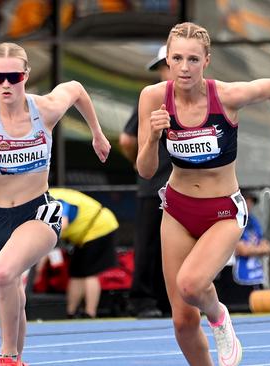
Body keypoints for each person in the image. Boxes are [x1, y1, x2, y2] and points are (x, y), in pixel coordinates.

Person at [136, 22, 270, 366]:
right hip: (177, 210)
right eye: (177, 59)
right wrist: (153, 138)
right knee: (182, 322)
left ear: (206, 61)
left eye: (193, 59)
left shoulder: (227, 96)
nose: (184, 68)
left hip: (222, 212)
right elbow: (144, 169)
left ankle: (218, 317)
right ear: (167, 61)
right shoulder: (153, 98)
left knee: (191, 284)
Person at [0, 42, 110, 366]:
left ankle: (6, 357)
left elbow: (75, 89)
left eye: (14, 76)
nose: (6, 84)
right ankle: (19, 359)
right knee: (10, 298)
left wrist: (97, 134)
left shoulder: (44, 109)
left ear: (26, 75)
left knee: (5, 273)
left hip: (38, 211)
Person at [119, 45, 171, 318]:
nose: (165, 72)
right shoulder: (152, 99)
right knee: (151, 244)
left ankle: (169, 301)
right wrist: (141, 163)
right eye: (163, 66)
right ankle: (143, 301)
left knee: (177, 245)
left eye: (167, 64)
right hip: (155, 184)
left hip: (187, 186)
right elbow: (127, 140)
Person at [47, 187, 118, 319]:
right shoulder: (46, 197)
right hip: (84, 235)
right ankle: (70, 313)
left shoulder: (53, 198)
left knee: (90, 272)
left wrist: (43, 246)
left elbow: (63, 223)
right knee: (76, 273)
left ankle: (90, 313)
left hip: (99, 227)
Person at [232, 192, 270, 291]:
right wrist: (258, 249)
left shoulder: (253, 221)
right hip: (238, 278)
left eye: (251, 202)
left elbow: (267, 247)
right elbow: (241, 250)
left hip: (256, 275)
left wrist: (252, 249)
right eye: (246, 201)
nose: (249, 205)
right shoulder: (234, 220)